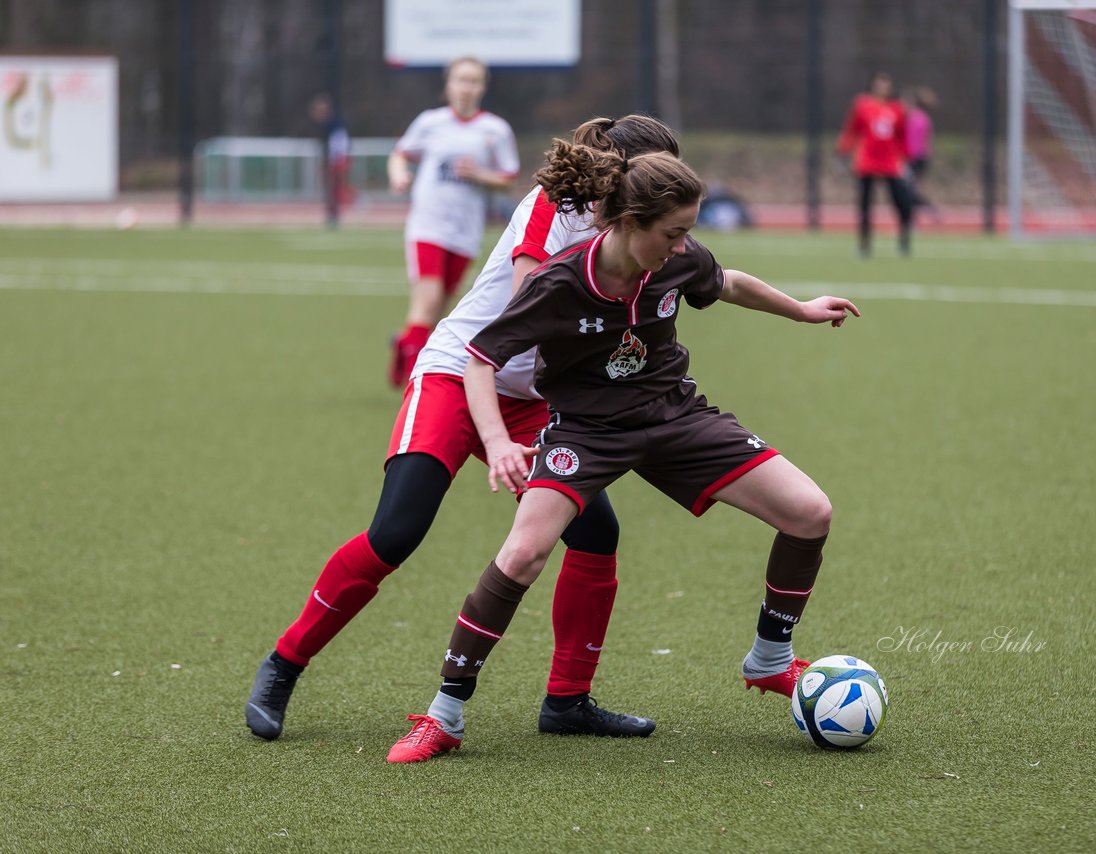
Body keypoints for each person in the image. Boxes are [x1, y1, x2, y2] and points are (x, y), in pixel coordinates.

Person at [384, 144, 859, 763]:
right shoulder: (558, 281)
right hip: (586, 433)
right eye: (673, 232)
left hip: (674, 416)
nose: (683, 245)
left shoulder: (677, 260)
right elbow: (480, 358)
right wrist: (498, 441)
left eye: (689, 232)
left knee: (810, 512)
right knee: (524, 553)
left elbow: (728, 281)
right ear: (629, 223)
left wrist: (800, 310)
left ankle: (770, 658)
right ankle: (445, 714)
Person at [245, 115, 682, 744]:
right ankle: (284, 664)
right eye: (659, 177)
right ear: (624, 173)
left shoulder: (636, 234)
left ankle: (567, 702)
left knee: (595, 531)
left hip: (531, 398)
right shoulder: (551, 207)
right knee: (397, 531)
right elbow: (532, 301)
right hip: (459, 374)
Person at [386, 56, 520, 388]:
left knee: (437, 310)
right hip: (428, 225)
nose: (466, 87)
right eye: (461, 80)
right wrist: (400, 175)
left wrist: (479, 175)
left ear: (482, 87)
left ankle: (404, 344)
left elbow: (508, 178)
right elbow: (400, 153)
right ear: (448, 84)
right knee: (428, 301)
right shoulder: (430, 123)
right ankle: (415, 383)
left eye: (473, 81)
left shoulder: (495, 130)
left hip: (465, 231)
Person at [836, 71, 914, 257]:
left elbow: (902, 137)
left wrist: (907, 160)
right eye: (879, 84)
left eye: (885, 85)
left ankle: (904, 240)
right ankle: (864, 244)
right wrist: (843, 152)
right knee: (865, 205)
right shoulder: (862, 105)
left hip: (890, 162)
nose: (882, 88)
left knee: (901, 202)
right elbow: (851, 130)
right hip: (867, 162)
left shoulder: (897, 109)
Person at [309, 93, 353, 229]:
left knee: (335, 188)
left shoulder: (334, 124)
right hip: (332, 159)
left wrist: (337, 161)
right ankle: (332, 215)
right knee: (331, 189)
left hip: (337, 160)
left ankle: (340, 212)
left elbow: (339, 145)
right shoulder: (327, 124)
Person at [905, 86, 940, 222]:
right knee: (912, 189)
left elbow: (913, 141)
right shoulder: (924, 118)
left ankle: (925, 210)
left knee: (909, 190)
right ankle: (920, 214)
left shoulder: (915, 118)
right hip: (921, 158)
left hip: (914, 158)